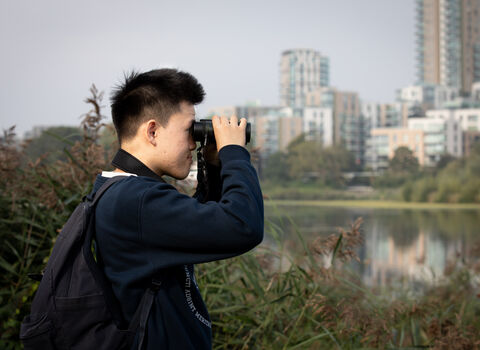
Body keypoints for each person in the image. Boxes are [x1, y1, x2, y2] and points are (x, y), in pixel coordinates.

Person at [92, 68, 264, 349]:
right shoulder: (136, 199)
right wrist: (234, 151)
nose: (193, 142)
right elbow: (243, 226)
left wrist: (214, 164)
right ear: (152, 131)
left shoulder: (121, 192)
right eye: (189, 130)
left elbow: (201, 225)